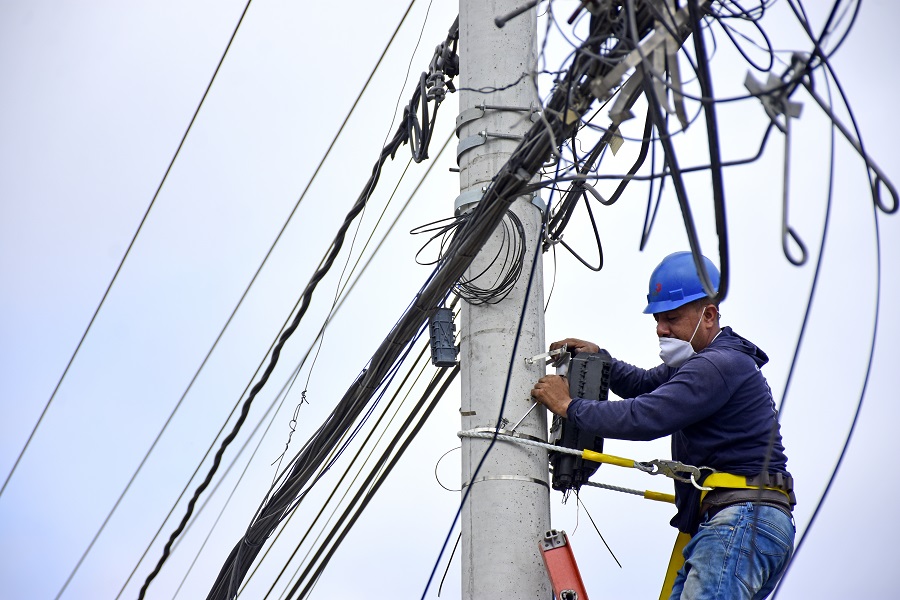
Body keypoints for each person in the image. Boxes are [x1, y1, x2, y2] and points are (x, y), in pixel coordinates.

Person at [531, 251, 796, 600]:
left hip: (742, 519)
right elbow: (644, 384)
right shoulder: (701, 362)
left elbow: (646, 416)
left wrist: (569, 406)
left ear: (709, 315)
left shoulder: (718, 366)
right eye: (657, 320)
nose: (661, 329)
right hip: (741, 521)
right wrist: (602, 361)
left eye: (671, 318)